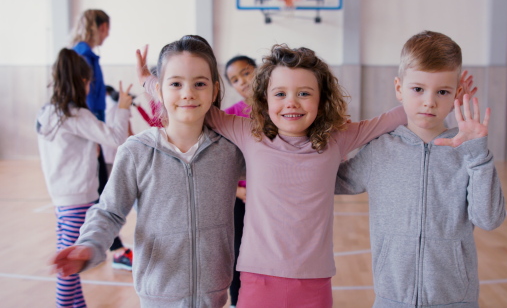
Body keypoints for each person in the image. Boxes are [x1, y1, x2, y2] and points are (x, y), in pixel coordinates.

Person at [137, 42, 476, 307]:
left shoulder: (337, 139)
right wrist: (152, 87)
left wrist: (441, 94)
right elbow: (195, 102)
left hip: (314, 283)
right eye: (280, 94)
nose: (292, 103)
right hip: (257, 278)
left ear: (321, 98)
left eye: (304, 93)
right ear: (264, 98)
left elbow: (392, 117)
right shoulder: (249, 133)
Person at [52, 35, 245, 307]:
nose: (188, 93)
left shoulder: (230, 151)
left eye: (199, 84)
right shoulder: (136, 151)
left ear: (214, 91)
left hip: (213, 294)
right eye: (175, 84)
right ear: (160, 91)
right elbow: (109, 211)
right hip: (157, 294)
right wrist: (89, 245)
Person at [335, 31, 506, 307]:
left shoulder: (468, 152)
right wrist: (331, 144)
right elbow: (329, 181)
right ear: (399, 88)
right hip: (392, 298)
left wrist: (478, 156)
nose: (429, 101)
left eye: (442, 91)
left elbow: (489, 219)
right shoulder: (380, 150)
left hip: (454, 299)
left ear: (457, 94)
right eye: (418, 89)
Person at [37, 48, 132, 308]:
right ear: (82, 81)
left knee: (71, 261)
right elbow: (115, 138)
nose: (90, 86)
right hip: (79, 200)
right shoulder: (76, 115)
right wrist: (123, 107)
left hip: (61, 199)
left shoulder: (47, 114)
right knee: (69, 267)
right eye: (89, 81)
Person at [70, 9, 132, 269]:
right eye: (108, 28)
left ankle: (113, 247)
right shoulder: (84, 56)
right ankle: (112, 249)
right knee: (103, 193)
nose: (109, 34)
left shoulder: (85, 54)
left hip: (92, 128)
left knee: (102, 189)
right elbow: (85, 100)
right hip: (89, 130)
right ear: (102, 27)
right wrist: (93, 136)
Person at [223, 55, 257, 307]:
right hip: (241, 199)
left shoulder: (278, 109)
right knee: (238, 252)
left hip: (272, 199)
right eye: (235, 79)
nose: (242, 81)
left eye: (246, 73)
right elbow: (221, 162)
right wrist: (235, 189)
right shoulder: (230, 116)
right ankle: (236, 302)